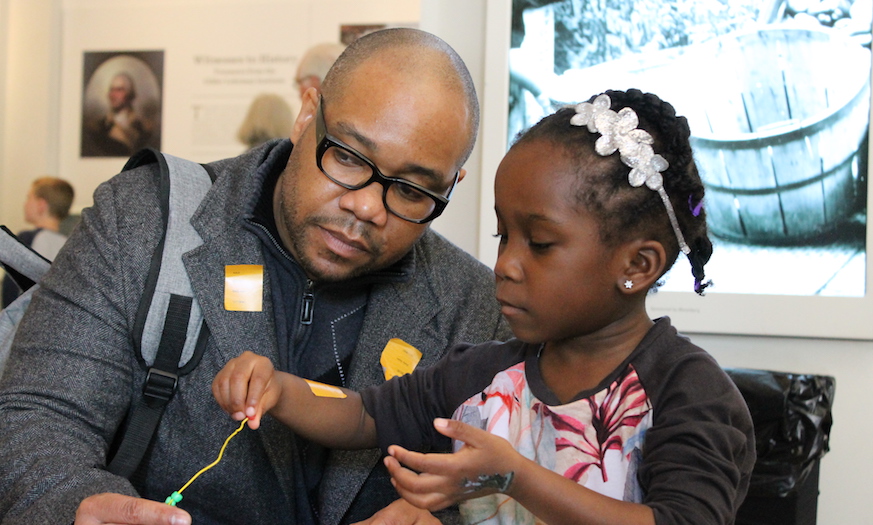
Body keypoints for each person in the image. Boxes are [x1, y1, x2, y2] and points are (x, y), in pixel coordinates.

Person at [0, 28, 511, 525]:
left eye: (411, 191)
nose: (366, 206)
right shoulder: (141, 221)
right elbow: (38, 413)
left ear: (451, 184)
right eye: (349, 158)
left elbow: (512, 479)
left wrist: (448, 518)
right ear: (307, 113)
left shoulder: (476, 306)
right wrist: (78, 502)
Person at [213, 89, 757, 525]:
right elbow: (362, 414)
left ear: (636, 266)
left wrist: (512, 476)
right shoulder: (487, 373)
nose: (506, 265)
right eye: (503, 237)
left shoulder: (686, 391)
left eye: (539, 244)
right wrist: (281, 390)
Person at [1, 177, 74, 308]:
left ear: (41, 205)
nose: (25, 203)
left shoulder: (27, 238)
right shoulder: (70, 244)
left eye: (29, 198)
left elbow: (12, 291)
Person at [82, 71, 154, 156]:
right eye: (111, 90)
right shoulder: (98, 127)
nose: (113, 95)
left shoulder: (144, 127)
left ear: (130, 94)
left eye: (119, 90)